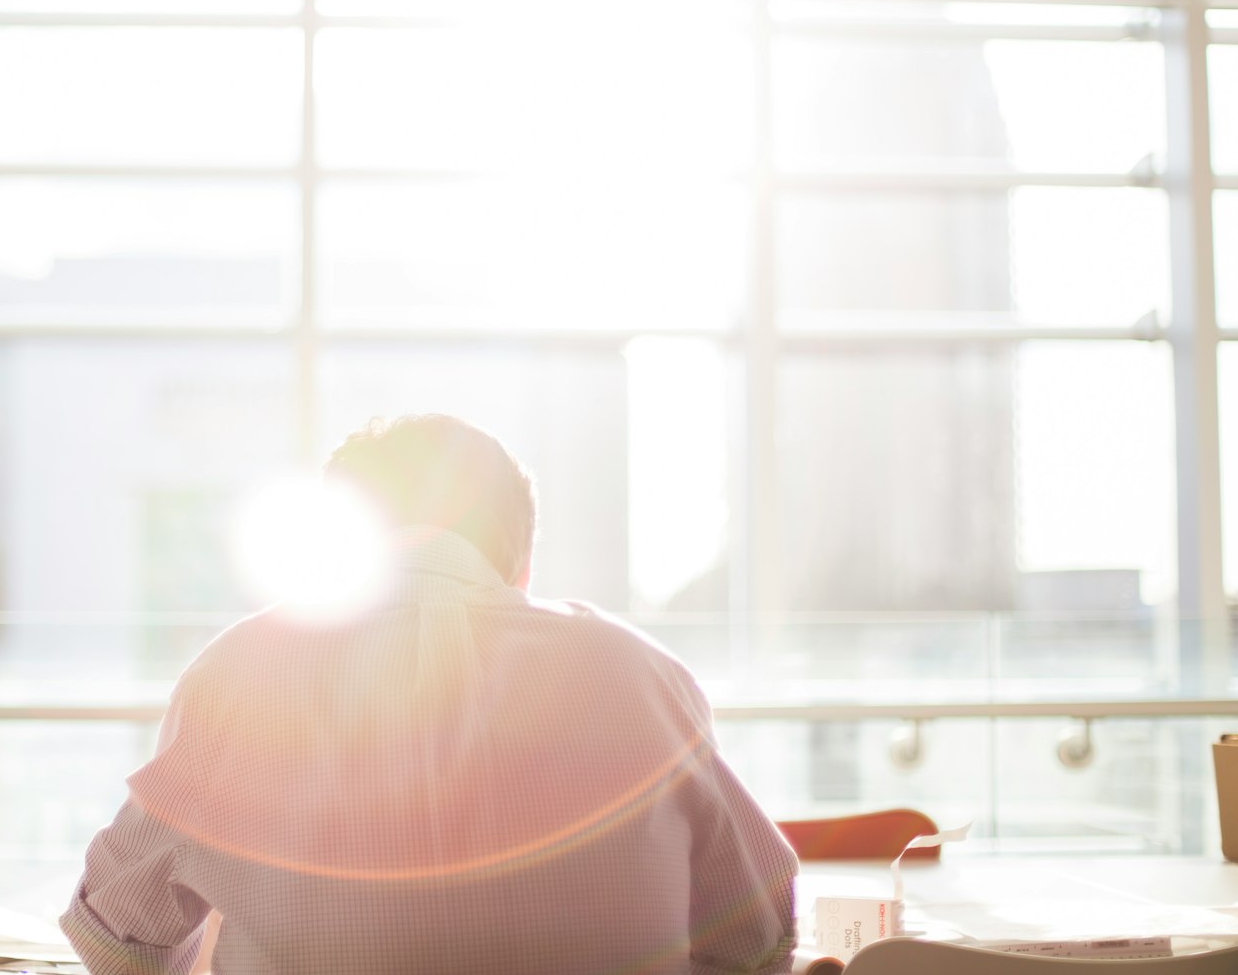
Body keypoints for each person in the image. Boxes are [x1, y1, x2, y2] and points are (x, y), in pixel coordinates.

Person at [62, 414, 798, 974]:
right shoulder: (642, 677)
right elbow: (758, 934)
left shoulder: (241, 673)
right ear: (522, 561)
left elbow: (115, 937)